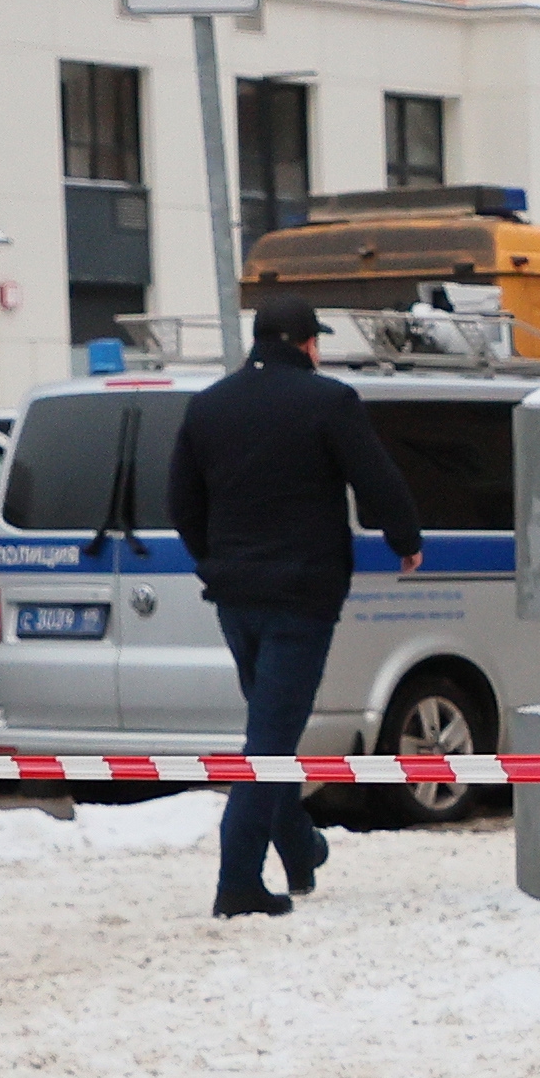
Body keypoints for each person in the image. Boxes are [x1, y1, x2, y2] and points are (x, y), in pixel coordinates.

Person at [166, 298, 425, 915]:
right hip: (302, 596)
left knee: (268, 730)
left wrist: (215, 559)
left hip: (236, 596)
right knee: (271, 741)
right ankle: (238, 882)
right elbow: (376, 478)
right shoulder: (327, 402)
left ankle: (300, 849)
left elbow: (180, 500)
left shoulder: (208, 406)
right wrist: (405, 540)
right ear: (307, 344)